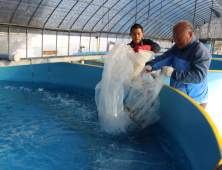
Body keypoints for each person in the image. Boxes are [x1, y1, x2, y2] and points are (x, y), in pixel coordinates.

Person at [142, 20, 212, 109]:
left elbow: (198, 76)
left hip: (195, 100)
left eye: (178, 37)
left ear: (190, 34)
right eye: (174, 37)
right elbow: (164, 57)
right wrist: (150, 65)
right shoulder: (177, 47)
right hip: (180, 95)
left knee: (189, 122)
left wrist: (173, 73)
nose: (176, 40)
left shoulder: (201, 52)